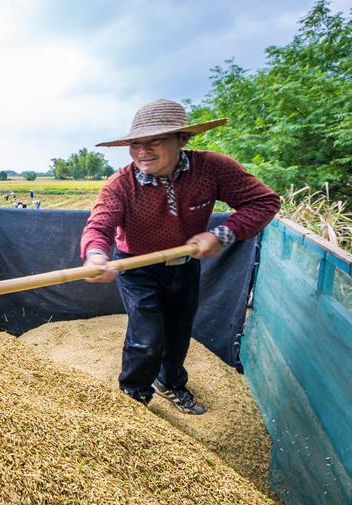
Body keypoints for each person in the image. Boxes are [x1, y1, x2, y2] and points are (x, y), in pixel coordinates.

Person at [80, 99, 280, 415]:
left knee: (178, 333)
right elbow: (100, 224)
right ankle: (134, 395)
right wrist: (95, 255)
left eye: (155, 140)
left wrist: (221, 234)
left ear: (182, 139)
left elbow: (263, 202)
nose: (143, 150)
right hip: (137, 268)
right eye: (135, 143)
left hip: (185, 266)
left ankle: (169, 382)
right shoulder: (120, 185)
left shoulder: (213, 169)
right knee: (147, 339)